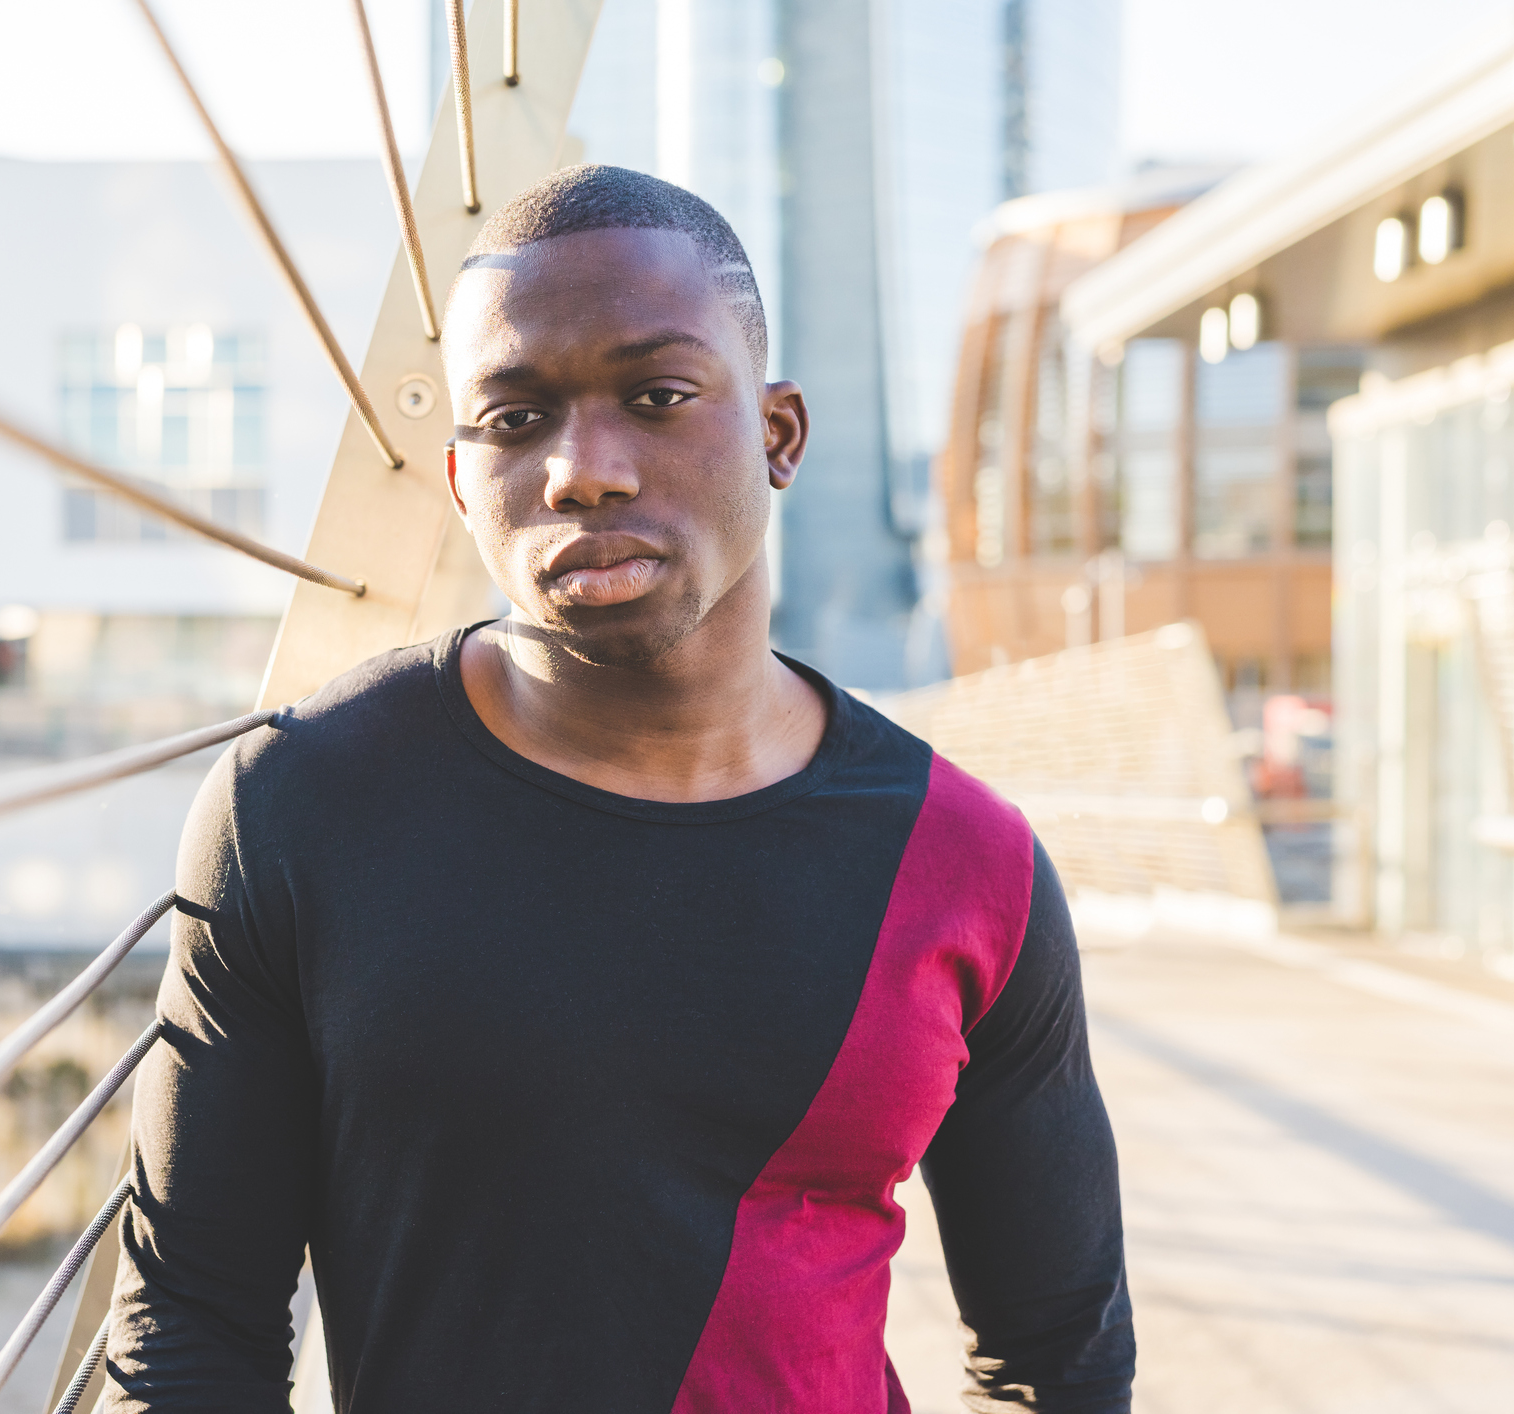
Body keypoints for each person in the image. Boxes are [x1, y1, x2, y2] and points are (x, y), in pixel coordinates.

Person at [100, 164, 1134, 1413]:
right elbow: (191, 1320)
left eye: (655, 396)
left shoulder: (968, 864)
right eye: (514, 418)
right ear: (458, 482)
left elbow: (1059, 1352)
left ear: (777, 433)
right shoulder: (301, 806)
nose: (581, 470)